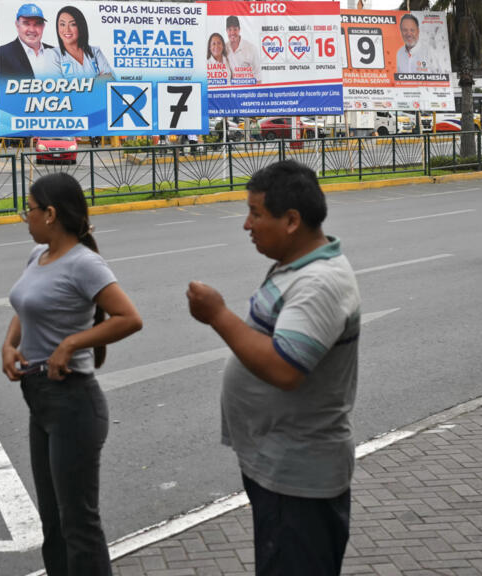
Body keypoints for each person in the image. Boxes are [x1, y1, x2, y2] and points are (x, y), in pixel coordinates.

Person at [186, 160, 361, 576]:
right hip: (279, 466)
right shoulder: (296, 266)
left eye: (256, 213)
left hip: (299, 476)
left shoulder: (318, 283)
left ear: (292, 220)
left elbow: (285, 368)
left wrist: (218, 315)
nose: (247, 225)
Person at [2, 173, 142, 576]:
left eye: (27, 209)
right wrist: (9, 344)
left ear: (50, 214)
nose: (23, 217)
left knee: (78, 525)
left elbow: (129, 318)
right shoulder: (38, 256)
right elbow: (25, 305)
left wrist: (71, 344)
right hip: (40, 398)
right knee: (54, 524)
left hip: (74, 403)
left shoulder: (84, 262)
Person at [0, 3, 60, 79]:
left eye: (37, 24)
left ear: (43, 26)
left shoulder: (56, 54)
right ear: (17, 25)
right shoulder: (2, 54)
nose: (32, 30)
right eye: (26, 23)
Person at [54, 6, 113, 79]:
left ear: (81, 26)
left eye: (73, 24)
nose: (67, 30)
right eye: (62, 24)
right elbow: (58, 87)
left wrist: (75, 85)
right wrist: (98, 80)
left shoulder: (95, 51)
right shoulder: (53, 55)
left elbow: (109, 79)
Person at [226, 16, 259, 85]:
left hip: (247, 92)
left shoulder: (251, 48)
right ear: (226, 30)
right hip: (230, 92)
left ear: (239, 30)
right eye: (229, 30)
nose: (232, 33)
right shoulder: (223, 48)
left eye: (235, 29)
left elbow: (258, 76)